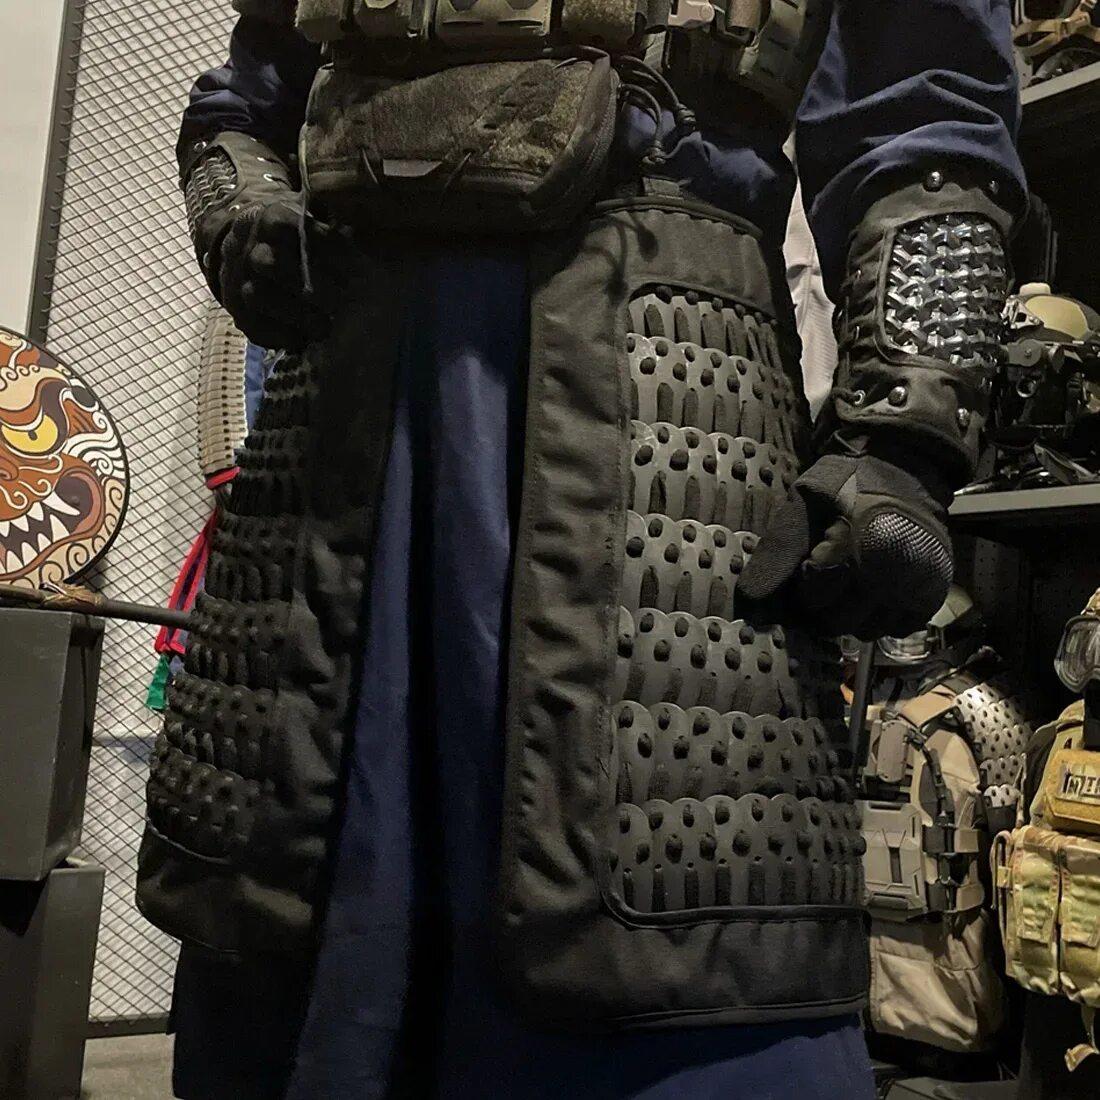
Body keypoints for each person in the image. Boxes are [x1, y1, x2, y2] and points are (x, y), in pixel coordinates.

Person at [137, 2, 1027, 1096]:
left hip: (667, 396)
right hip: (346, 426)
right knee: (292, 923)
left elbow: (923, 114)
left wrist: (905, 435)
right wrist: (240, 208)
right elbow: (245, 103)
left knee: (670, 951)